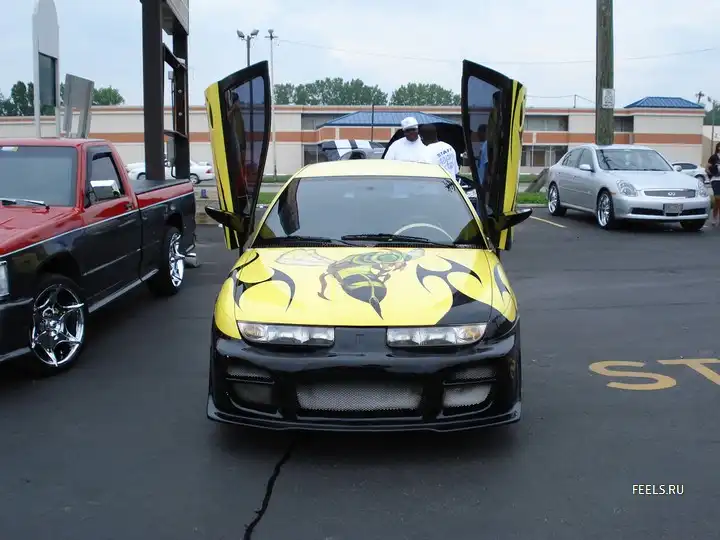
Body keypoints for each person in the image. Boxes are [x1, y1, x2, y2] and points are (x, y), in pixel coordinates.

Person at [707, 142, 720, 226]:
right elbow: (707, 168)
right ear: (718, 147)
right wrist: (711, 175)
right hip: (716, 180)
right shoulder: (713, 157)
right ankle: (714, 218)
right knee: (717, 199)